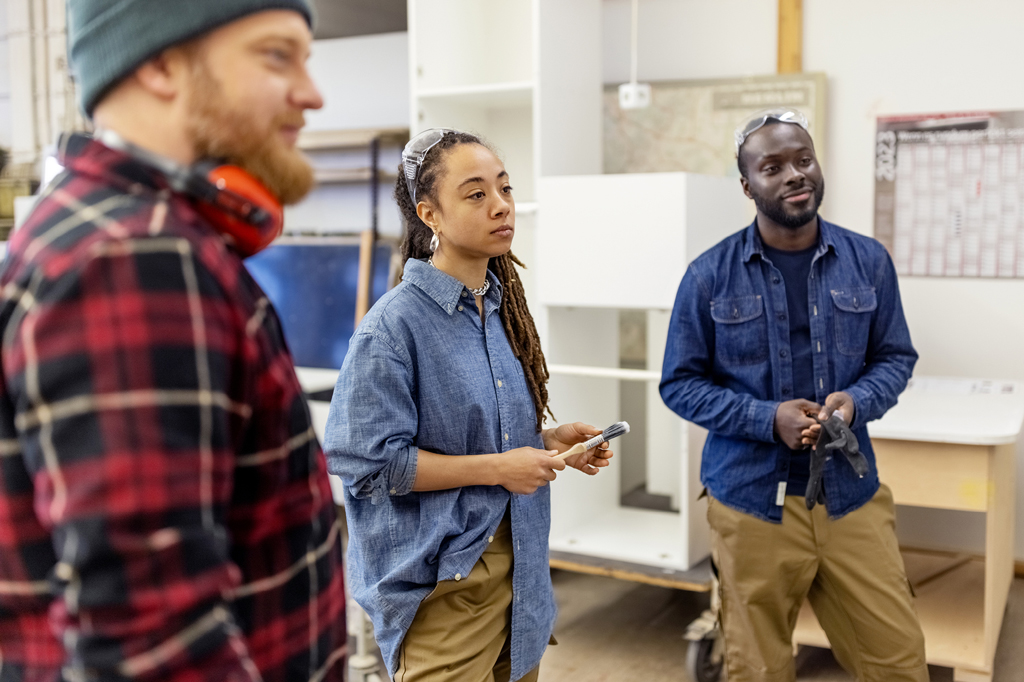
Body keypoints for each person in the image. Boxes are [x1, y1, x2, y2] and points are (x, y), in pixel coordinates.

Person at [0, 3, 346, 681]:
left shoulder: (99, 229)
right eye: (277, 56)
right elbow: (151, 645)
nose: (312, 93)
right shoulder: (134, 256)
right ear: (160, 64)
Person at [325, 128, 614, 682]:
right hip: (446, 586)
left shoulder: (500, 311)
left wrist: (547, 447)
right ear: (429, 214)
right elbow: (367, 465)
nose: (501, 205)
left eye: (504, 189)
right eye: (476, 194)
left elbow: (481, 436)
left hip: (522, 577)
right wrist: (502, 468)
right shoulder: (393, 326)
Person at [660, 108, 928, 682]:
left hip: (851, 495)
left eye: (803, 160)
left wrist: (857, 401)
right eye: (773, 166)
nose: (794, 175)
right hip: (752, 502)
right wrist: (766, 418)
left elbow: (895, 358)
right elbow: (679, 384)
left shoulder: (869, 261)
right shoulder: (708, 275)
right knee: (757, 668)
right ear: (747, 185)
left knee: (897, 661)